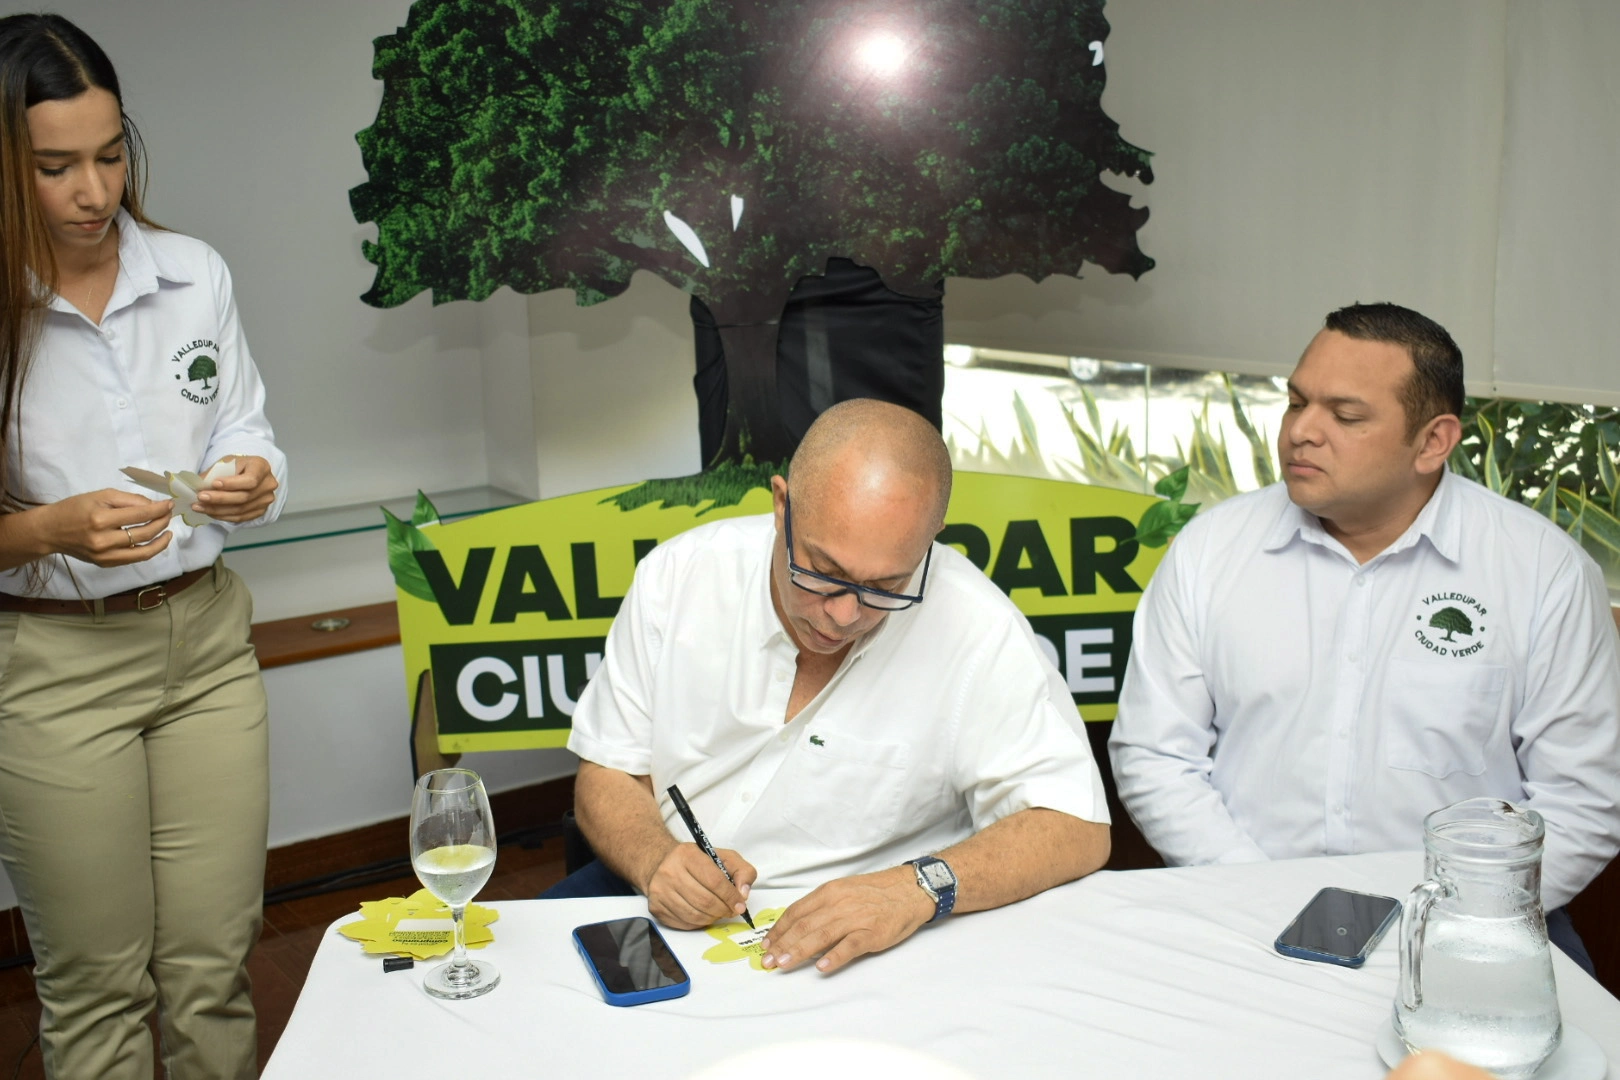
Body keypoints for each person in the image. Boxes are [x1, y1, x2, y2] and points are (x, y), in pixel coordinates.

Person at [1109, 303, 1620, 970]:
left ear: (1433, 442)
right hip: (1244, 917)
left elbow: (1584, 800)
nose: (1301, 433)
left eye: (1345, 417)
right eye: (1296, 403)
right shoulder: (1209, 551)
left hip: (1479, 934)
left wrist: (1447, 926)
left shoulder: (1540, 573)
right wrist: (1259, 899)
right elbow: (1155, 755)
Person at [552, 398, 1110, 973]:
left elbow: (1077, 827)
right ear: (780, 505)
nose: (845, 615)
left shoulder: (977, 625)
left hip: (870, 932)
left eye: (887, 585)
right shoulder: (680, 577)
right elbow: (609, 768)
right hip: (661, 893)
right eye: (822, 573)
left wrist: (915, 888)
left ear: (930, 536)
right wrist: (654, 860)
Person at [0, 15, 287, 1078]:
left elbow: (242, 423)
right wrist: (47, 530)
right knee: (98, 992)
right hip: (53, 669)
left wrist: (256, 475)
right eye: (56, 166)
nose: (95, 191)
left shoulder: (191, 272)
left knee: (214, 968)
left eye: (112, 154)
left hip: (207, 648)